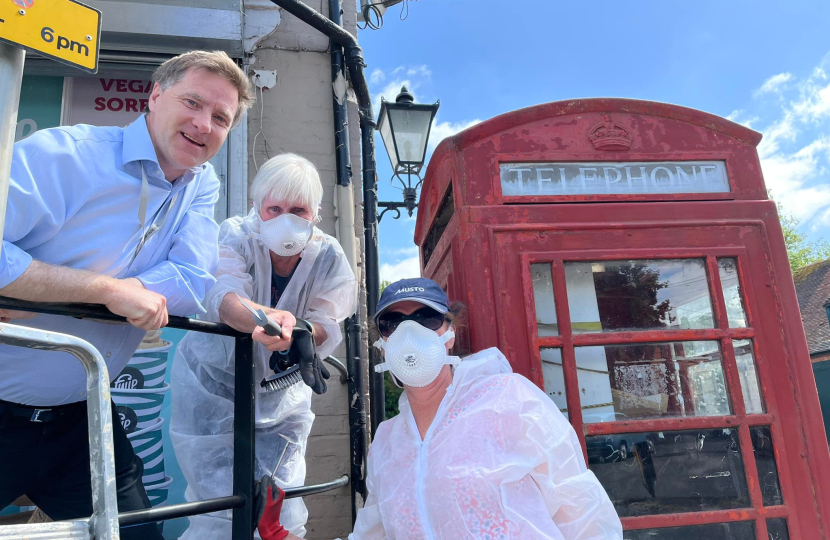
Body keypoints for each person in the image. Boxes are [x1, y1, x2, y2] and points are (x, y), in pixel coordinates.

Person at [0, 50, 253, 538]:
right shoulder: (67, 155)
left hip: (83, 415)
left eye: (220, 118)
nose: (203, 124)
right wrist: (104, 290)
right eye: (193, 102)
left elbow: (192, 280)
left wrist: (46, 286)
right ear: (155, 95)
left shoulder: (200, 183)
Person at [257, 277, 623, 540]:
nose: (409, 333)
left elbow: (581, 508)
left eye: (426, 319)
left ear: (450, 332)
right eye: (393, 323)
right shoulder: (387, 442)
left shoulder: (510, 401)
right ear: (382, 343)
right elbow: (375, 533)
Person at [170, 153, 357, 539]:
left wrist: (306, 333)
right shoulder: (235, 235)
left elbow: (328, 318)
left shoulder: (327, 255)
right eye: (275, 208)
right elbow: (223, 296)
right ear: (257, 207)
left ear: (316, 212)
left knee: (280, 508)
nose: (286, 219)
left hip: (283, 398)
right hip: (214, 386)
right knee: (219, 508)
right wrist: (269, 322)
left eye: (298, 209)